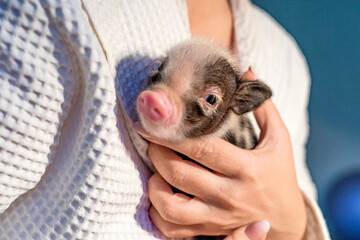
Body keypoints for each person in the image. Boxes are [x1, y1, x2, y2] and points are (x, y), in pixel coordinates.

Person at [0, 0, 330, 239]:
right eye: (159, 71)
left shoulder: (285, 59)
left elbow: (298, 200)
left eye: (211, 98)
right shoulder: (57, 10)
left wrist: (290, 220)